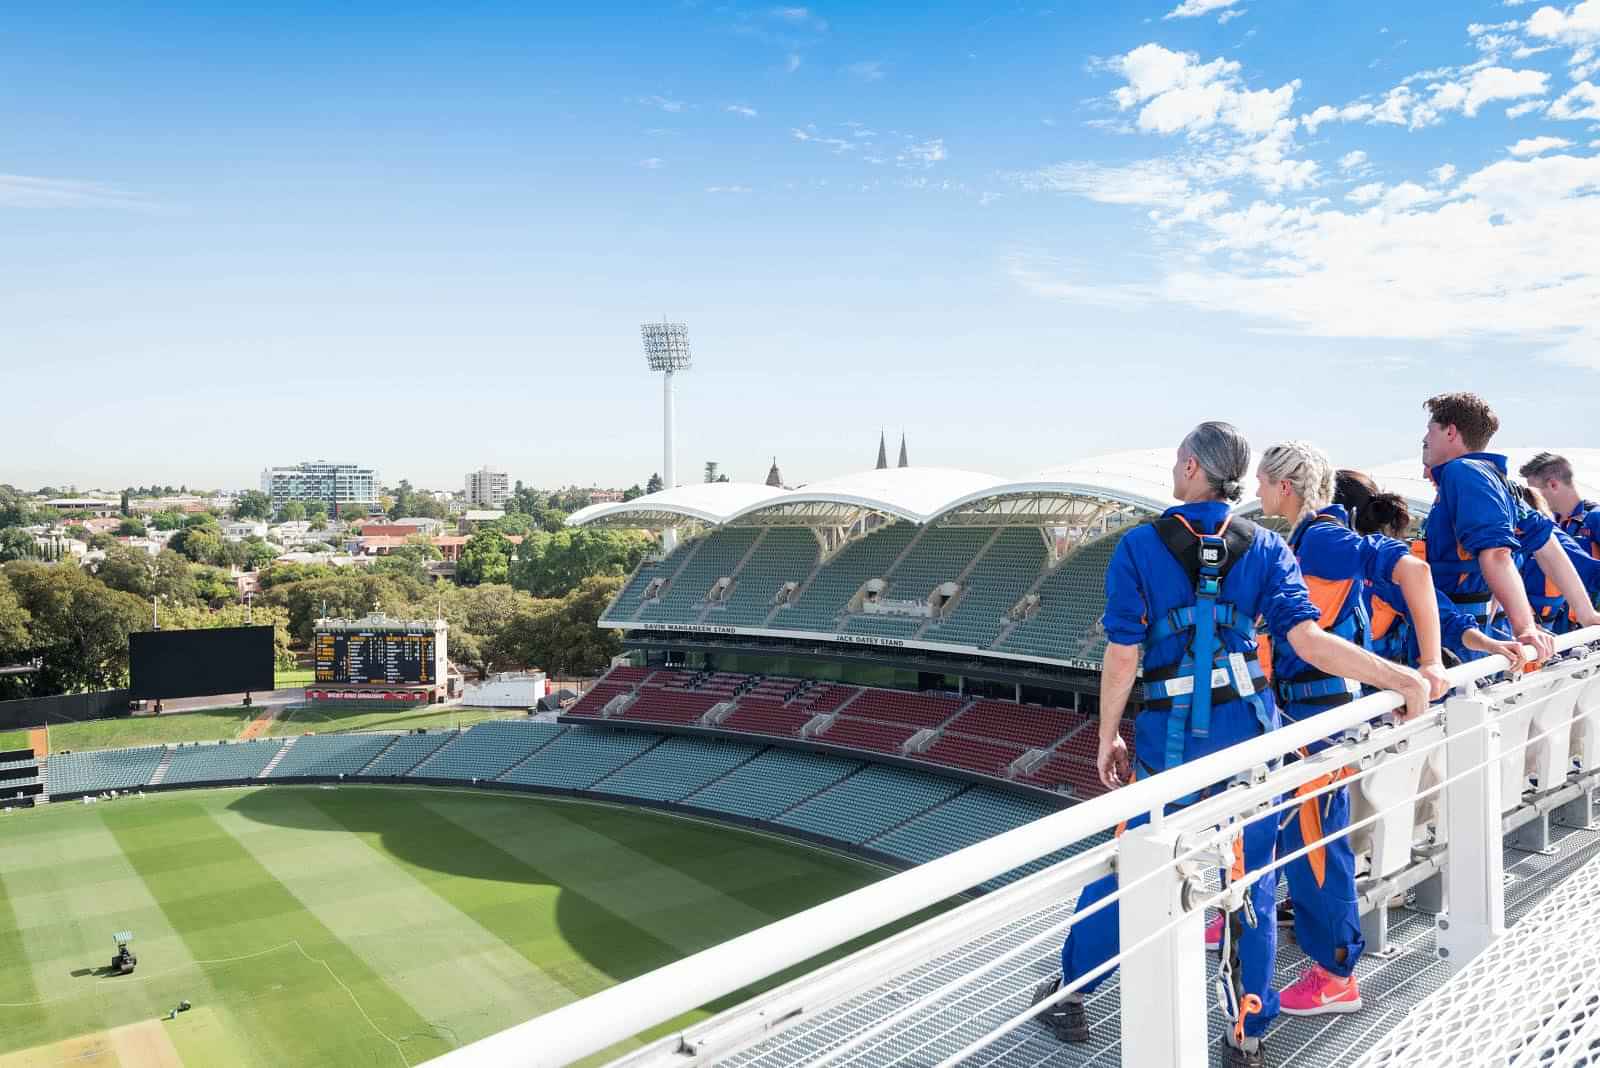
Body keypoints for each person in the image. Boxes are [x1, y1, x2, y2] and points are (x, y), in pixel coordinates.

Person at [1031, 422, 1429, 1068]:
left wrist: (1107, 737)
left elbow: (1124, 654)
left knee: (1129, 866)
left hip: (1169, 746)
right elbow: (1307, 641)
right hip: (1250, 738)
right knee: (1252, 880)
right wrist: (1399, 676)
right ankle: (1245, 1034)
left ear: (1191, 467)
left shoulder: (1137, 547)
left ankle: (1073, 994)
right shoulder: (1269, 549)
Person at [1250, 446, 1467, 1019]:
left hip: (1315, 717)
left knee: (1318, 847)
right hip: (1307, 712)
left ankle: (1335, 976)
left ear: (1286, 488)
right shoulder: (1312, 538)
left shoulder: (1318, 538)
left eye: (1263, 483)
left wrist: (1429, 663)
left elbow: (1413, 570)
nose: (1258, 492)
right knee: (1301, 840)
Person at [1418, 394, 1598, 663]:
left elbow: (1497, 552)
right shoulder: (1497, 481)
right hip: (1474, 634)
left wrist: (1524, 627)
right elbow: (1546, 542)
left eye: (1430, 431)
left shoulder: (1463, 472)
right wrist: (1586, 614)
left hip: (1459, 643)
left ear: (1451, 431)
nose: (1426, 440)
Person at [1335, 470, 1524, 667]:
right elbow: (1449, 621)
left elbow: (1448, 621)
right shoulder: (1387, 565)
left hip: (1374, 690)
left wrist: (1490, 644)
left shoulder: (1386, 570)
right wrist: (1489, 643)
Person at [1520, 452, 1600, 560]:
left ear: (1553, 485)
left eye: (1534, 492)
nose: (1531, 498)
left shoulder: (1595, 518)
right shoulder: (1544, 524)